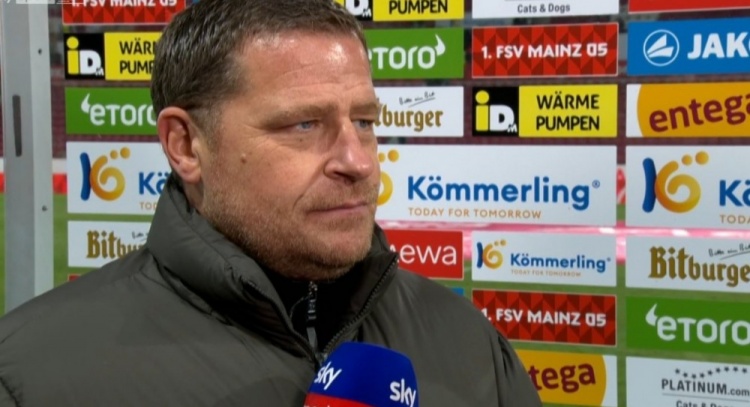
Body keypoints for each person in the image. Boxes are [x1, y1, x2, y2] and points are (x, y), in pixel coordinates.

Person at [0, 0, 541, 405]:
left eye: (364, 122)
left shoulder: (469, 345)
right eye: (303, 124)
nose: (357, 161)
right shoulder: (32, 376)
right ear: (185, 145)